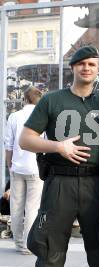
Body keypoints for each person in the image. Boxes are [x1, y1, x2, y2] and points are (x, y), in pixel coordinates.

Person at [19, 46, 99, 267]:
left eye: (91, 64)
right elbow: (26, 139)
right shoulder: (52, 100)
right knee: (50, 250)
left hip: (96, 184)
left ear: (98, 69)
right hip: (60, 183)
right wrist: (58, 146)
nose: (86, 68)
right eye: (81, 64)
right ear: (73, 68)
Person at [5, 86, 44, 254]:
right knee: (32, 207)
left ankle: (19, 242)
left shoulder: (14, 116)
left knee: (16, 206)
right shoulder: (43, 115)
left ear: (25, 99)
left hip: (17, 167)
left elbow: (8, 143)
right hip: (35, 167)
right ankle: (28, 245)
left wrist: (10, 165)